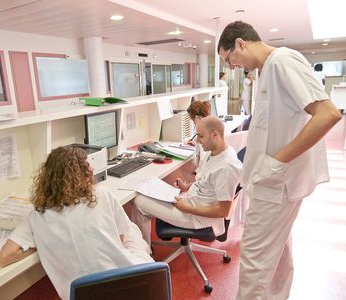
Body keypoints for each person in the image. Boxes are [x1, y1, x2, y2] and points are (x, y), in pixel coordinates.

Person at [218, 20, 342, 300]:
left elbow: (328, 114)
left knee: (254, 265)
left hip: (276, 185)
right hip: (273, 184)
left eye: (230, 59)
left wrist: (275, 162)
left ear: (240, 43)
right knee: (276, 262)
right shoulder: (268, 70)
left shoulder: (282, 61)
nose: (232, 67)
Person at [0, 145, 153, 300]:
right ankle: (148, 251)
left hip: (80, 295)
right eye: (86, 165)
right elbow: (119, 240)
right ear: (77, 176)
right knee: (131, 230)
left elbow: (4, 257)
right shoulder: (101, 195)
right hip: (130, 286)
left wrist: (42, 242)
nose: (91, 169)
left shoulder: (37, 215)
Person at [132, 116, 242, 247]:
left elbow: (223, 211)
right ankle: (144, 248)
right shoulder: (215, 153)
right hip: (189, 201)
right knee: (149, 189)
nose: (197, 140)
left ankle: (143, 255)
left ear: (214, 135)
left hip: (196, 217)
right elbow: (206, 182)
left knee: (139, 202)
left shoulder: (227, 167)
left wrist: (188, 208)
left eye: (201, 136)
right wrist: (186, 187)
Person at [186, 100, 211, 172]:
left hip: (203, 174)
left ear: (197, 118)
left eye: (192, 120)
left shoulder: (201, 133)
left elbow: (202, 160)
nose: (193, 123)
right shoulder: (210, 126)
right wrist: (196, 144)